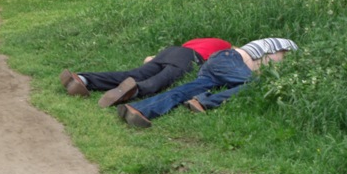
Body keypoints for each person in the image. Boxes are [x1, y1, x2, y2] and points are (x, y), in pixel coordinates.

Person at [116, 38, 298, 128]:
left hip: (215, 62)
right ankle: (204, 101)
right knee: (258, 85)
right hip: (229, 60)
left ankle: (139, 109)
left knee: (184, 90)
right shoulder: (291, 48)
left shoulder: (267, 45)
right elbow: (271, 72)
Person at [60, 38, 232, 108]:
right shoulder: (227, 47)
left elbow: (149, 59)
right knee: (161, 80)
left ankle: (84, 79)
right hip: (190, 57)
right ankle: (133, 91)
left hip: (170, 51)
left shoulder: (198, 40)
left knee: (132, 74)